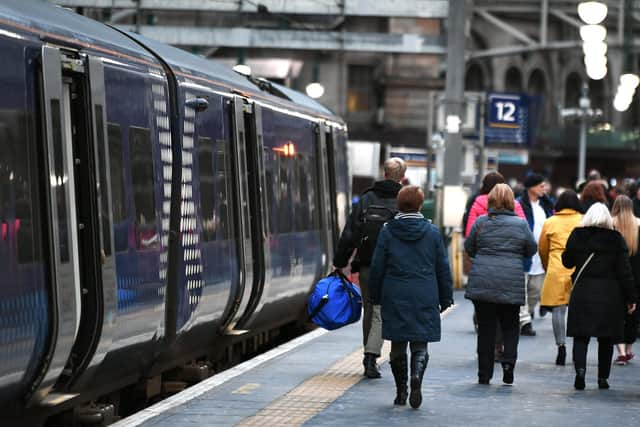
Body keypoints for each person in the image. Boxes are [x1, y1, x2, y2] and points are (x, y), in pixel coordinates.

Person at [369, 185, 453, 409]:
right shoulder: (432, 232)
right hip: (425, 292)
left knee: (397, 344)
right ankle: (416, 375)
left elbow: (377, 266)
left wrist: (374, 295)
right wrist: (446, 297)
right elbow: (442, 267)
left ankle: (401, 391)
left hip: (395, 292)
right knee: (420, 343)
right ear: (419, 205)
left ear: (399, 204)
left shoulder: (388, 230)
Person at [333, 157, 407, 379]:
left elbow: (350, 233)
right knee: (384, 311)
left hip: (366, 265)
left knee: (371, 310)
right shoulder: (404, 199)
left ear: (384, 173)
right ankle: (375, 356)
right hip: (394, 268)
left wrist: (340, 261)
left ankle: (370, 355)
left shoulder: (366, 199)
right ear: (401, 176)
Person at [465, 184, 537, 385]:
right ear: (511, 201)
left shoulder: (481, 222)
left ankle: (484, 374)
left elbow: (469, 247)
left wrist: (481, 257)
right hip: (511, 280)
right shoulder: (521, 224)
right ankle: (508, 366)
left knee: (486, 329)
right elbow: (531, 248)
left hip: (483, 280)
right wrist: (515, 255)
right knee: (510, 327)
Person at [562, 203, 637, 390]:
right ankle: (602, 378)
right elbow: (625, 272)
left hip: (583, 292)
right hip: (610, 295)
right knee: (606, 338)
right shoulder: (616, 239)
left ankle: (580, 373)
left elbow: (567, 262)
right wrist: (631, 298)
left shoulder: (577, 235)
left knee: (581, 336)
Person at [538, 190, 583, 365]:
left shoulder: (550, 222)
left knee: (558, 310)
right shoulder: (583, 220)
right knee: (579, 311)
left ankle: (561, 346)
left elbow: (542, 248)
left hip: (556, 267)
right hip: (579, 269)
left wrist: (546, 265)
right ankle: (578, 348)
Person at [518, 173, 554, 335]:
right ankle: (524, 321)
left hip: (541, 254)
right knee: (523, 289)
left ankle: (528, 313)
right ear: (531, 187)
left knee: (536, 289)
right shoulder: (519, 204)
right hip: (524, 253)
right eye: (541, 186)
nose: (544, 189)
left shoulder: (546, 205)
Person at [611, 195, 640, 365]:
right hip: (637, 276)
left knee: (616, 314)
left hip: (615, 276)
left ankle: (621, 351)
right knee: (633, 315)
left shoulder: (610, 223)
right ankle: (629, 349)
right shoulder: (638, 224)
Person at [464, 171, 526, 238]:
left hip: (483, 245)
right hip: (511, 245)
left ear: (484, 185)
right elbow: (524, 230)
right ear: (503, 185)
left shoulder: (477, 202)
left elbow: (470, 233)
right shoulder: (514, 204)